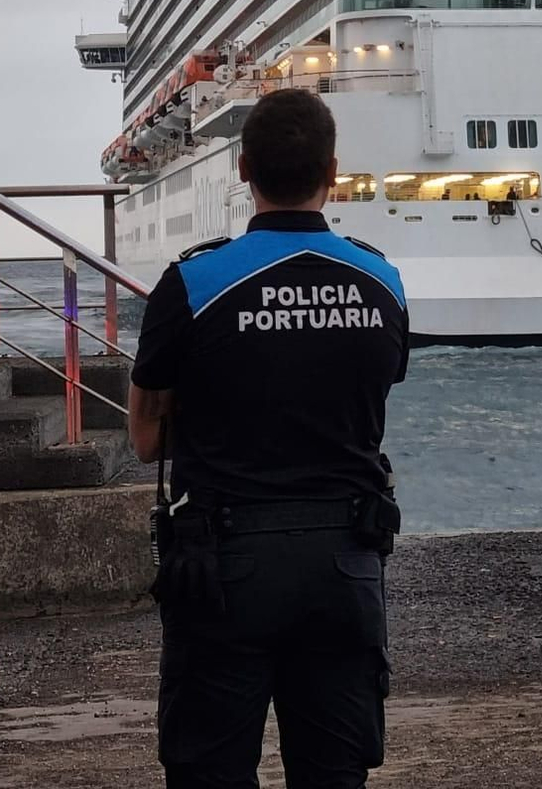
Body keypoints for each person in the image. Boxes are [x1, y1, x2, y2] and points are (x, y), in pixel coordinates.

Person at [130, 88, 408, 788]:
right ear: (334, 171)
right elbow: (370, 397)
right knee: (336, 774)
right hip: (346, 561)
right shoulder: (383, 281)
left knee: (209, 771)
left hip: (224, 564)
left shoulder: (194, 281)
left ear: (243, 168)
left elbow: (143, 438)